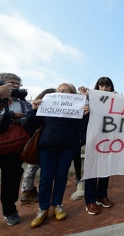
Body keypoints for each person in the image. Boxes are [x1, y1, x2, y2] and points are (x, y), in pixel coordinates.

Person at [26, 83, 89, 228]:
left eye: (65, 91)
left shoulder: (76, 108)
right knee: (45, 178)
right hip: (47, 147)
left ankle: (57, 205)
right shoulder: (46, 105)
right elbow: (31, 124)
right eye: (59, 90)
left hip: (67, 148)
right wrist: (34, 109)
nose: (61, 92)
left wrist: (85, 115)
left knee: (61, 177)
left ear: (71, 95)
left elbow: (82, 128)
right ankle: (43, 209)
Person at [79, 77, 115, 215]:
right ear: (97, 87)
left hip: (108, 141)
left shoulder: (115, 101)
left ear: (111, 88)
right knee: (92, 170)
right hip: (93, 140)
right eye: (101, 86)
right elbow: (82, 123)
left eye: (107, 86)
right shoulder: (88, 100)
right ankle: (90, 200)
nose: (104, 89)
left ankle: (102, 196)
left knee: (105, 169)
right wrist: (85, 105)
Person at [0, 73, 31, 226]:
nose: (15, 86)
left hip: (12, 148)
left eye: (18, 84)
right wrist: (11, 115)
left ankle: (10, 210)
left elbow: (29, 119)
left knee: (11, 180)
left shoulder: (23, 102)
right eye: (11, 83)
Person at [20, 88, 56, 205]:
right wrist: (34, 110)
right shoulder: (37, 108)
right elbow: (29, 124)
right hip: (38, 142)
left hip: (46, 142)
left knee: (35, 168)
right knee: (32, 167)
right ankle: (26, 192)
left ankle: (29, 191)